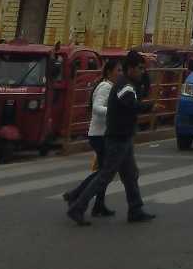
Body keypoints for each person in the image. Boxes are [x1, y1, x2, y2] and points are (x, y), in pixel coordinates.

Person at [66, 50, 155, 226]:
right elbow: (130, 104)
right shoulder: (124, 86)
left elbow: (138, 96)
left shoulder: (128, 83)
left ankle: (135, 209)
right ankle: (78, 206)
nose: (142, 71)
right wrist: (150, 107)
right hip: (117, 137)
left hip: (124, 136)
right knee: (105, 175)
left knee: (130, 175)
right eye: (139, 68)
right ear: (130, 69)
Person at [63, 58, 117, 219]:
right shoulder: (106, 87)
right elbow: (97, 108)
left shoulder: (109, 86)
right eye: (118, 70)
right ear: (109, 72)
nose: (120, 74)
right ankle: (75, 195)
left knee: (104, 172)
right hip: (100, 135)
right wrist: (115, 110)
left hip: (101, 134)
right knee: (104, 173)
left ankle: (98, 205)